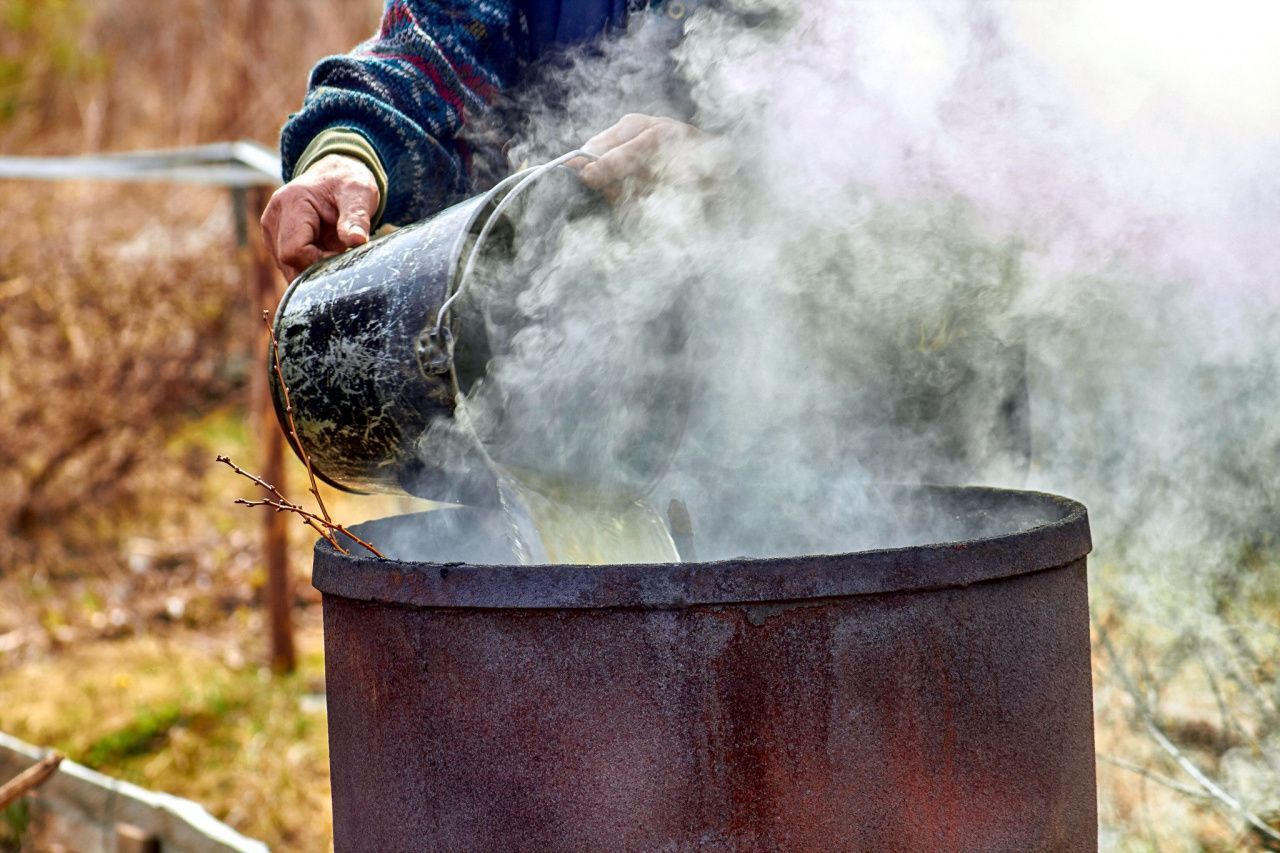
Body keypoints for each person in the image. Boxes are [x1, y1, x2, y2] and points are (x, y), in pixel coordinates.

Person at [262, 0, 703, 282]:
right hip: (541, 352)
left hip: (750, 360)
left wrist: (739, 173)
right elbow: (427, 51)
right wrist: (348, 152)